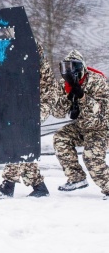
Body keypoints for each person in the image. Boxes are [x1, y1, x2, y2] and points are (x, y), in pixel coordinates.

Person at [40, 47, 109, 200]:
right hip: (83, 126)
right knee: (61, 138)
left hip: (102, 128)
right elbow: (58, 113)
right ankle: (76, 178)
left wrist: (82, 96)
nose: (69, 71)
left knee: (91, 157)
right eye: (65, 67)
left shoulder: (97, 81)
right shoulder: (64, 84)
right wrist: (68, 96)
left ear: (81, 67)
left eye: (73, 67)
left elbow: (101, 111)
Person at [0, 43, 49, 199]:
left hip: (41, 105)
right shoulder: (22, 66)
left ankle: (8, 185)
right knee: (24, 145)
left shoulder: (41, 69)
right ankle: (39, 187)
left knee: (19, 141)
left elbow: (42, 94)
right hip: (25, 107)